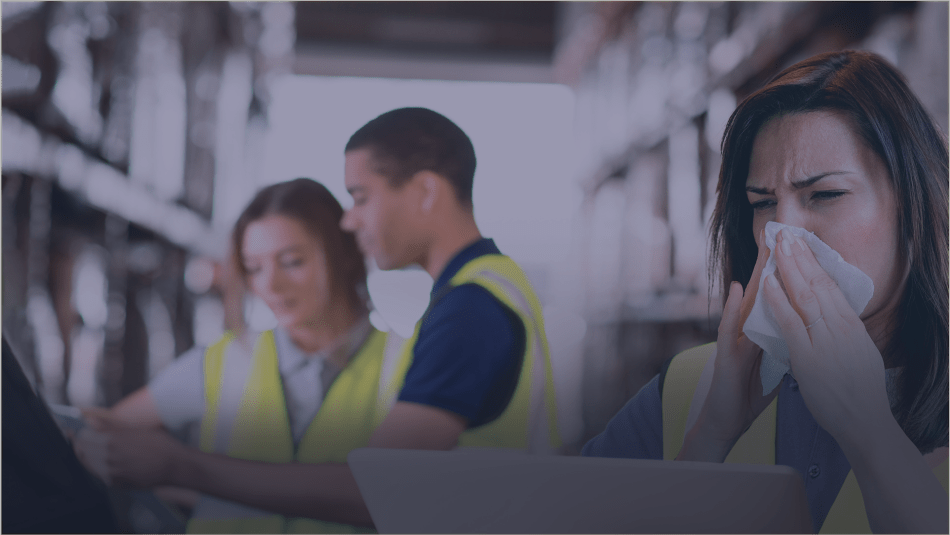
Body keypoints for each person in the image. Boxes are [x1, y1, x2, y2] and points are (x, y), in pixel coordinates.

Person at [78, 108, 561, 531]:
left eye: (362, 197)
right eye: (253, 267)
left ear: (426, 191)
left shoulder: (468, 310)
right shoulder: (491, 287)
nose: (351, 221)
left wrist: (181, 468)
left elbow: (381, 488)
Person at [582, 50, 948, 534]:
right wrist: (711, 435)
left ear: (914, 205)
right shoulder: (688, 389)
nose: (782, 231)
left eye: (826, 195)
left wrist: (870, 432)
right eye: (763, 203)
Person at [76, 178, 405, 533]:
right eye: (254, 268)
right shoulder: (225, 360)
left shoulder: (406, 365)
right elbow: (97, 437)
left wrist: (191, 471)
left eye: (292, 261)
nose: (270, 286)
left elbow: (403, 494)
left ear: (345, 255)